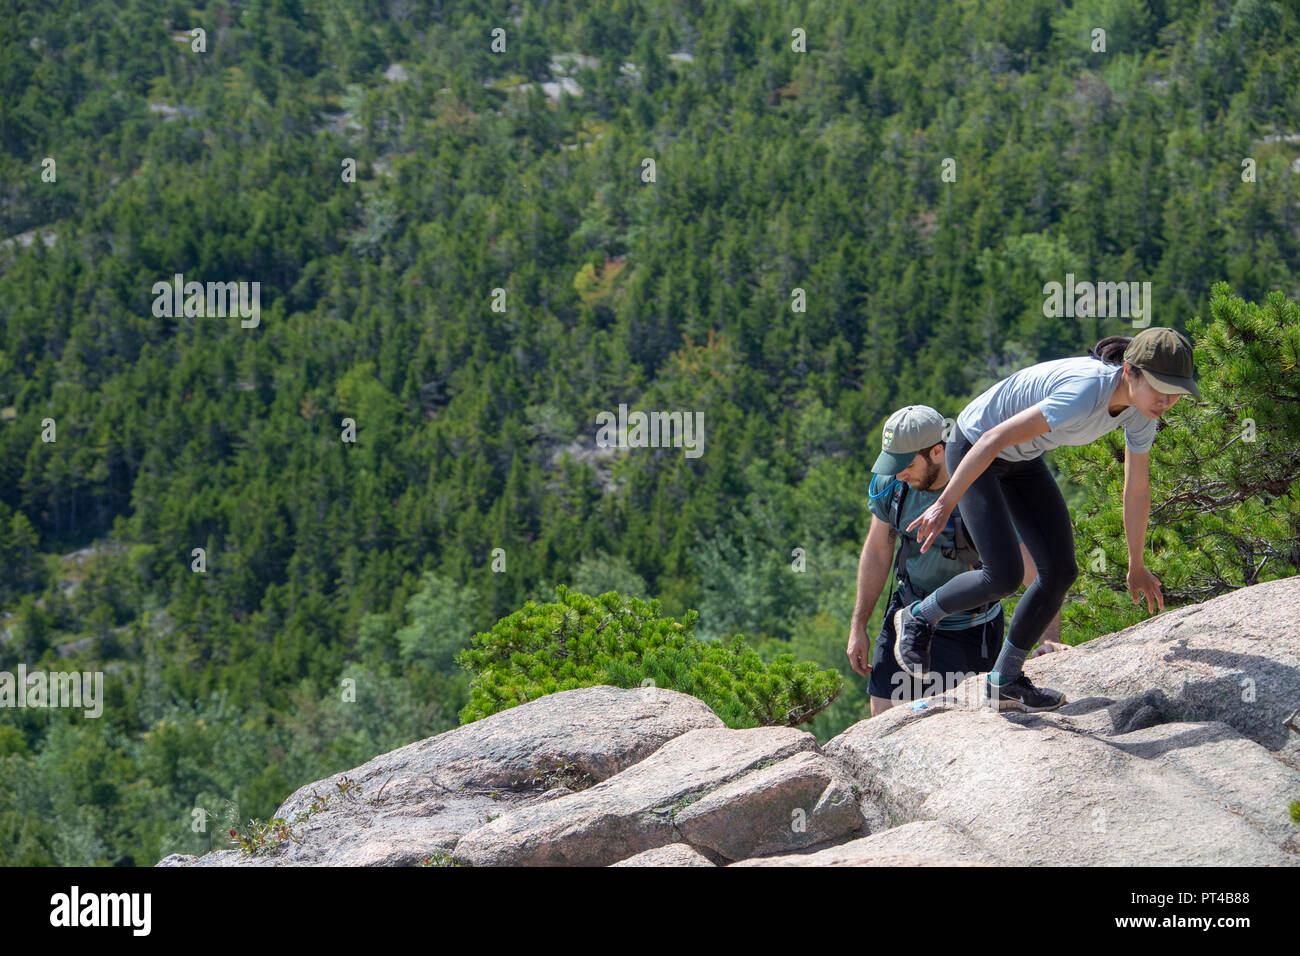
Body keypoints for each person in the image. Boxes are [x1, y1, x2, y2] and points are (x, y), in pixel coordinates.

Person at [894, 328, 1201, 712]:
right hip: (976, 445)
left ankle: (1003, 682)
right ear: (1129, 371)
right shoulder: (1085, 392)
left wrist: (1136, 565)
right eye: (1160, 387)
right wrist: (946, 501)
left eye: (1177, 392)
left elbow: (1136, 488)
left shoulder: (1141, 414)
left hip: (1021, 458)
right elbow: (990, 440)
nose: (1168, 400)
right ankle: (919, 617)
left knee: (1060, 572)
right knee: (1002, 575)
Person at [846, 405, 1066, 716]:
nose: (898, 474)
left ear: (937, 452)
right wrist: (858, 626)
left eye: (905, 464)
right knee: (884, 717)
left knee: (971, 724)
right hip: (905, 616)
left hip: (971, 632)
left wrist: (1049, 638)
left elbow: (1038, 571)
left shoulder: (984, 492)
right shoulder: (893, 487)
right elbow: (877, 551)